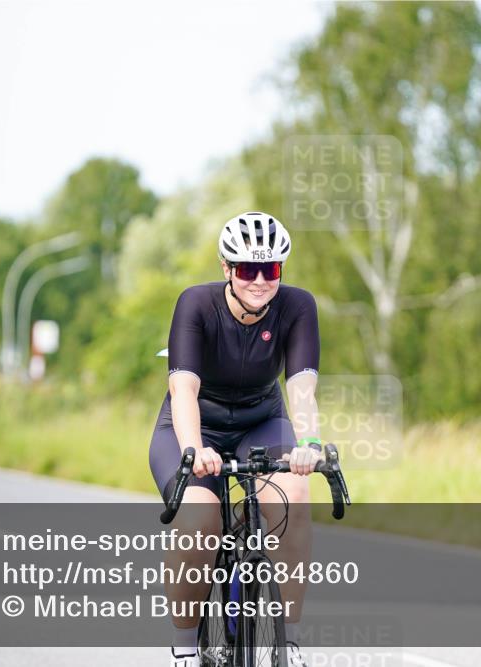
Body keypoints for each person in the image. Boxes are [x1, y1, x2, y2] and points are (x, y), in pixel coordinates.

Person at [149, 212, 323, 667]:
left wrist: (309, 443)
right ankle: (185, 651)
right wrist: (194, 448)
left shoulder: (298, 306)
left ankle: (291, 642)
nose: (261, 280)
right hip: (193, 426)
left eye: (272, 270)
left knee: (294, 495)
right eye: (248, 269)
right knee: (200, 516)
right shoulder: (196, 304)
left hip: (260, 422)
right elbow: (183, 387)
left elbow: (301, 388)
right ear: (227, 269)